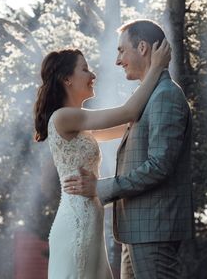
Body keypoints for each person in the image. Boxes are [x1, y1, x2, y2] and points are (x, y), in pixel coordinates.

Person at [64, 20, 194, 279]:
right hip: (138, 231)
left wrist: (99, 188)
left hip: (154, 231)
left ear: (142, 47)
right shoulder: (149, 98)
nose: (118, 60)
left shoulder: (165, 96)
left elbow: (159, 166)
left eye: (122, 50)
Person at [34, 38, 171, 279]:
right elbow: (128, 112)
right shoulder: (63, 117)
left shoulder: (78, 123)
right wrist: (156, 67)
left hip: (89, 219)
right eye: (85, 69)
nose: (92, 74)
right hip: (77, 222)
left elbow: (129, 124)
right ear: (67, 79)